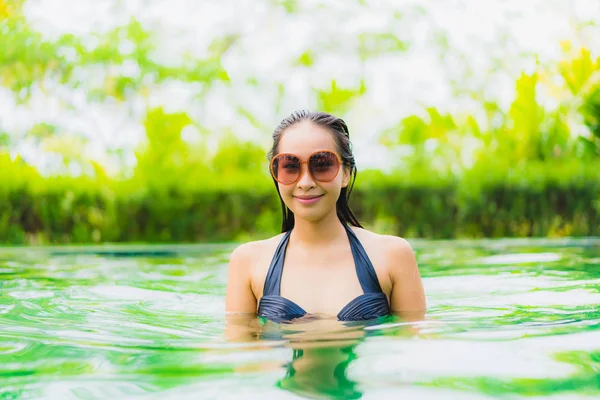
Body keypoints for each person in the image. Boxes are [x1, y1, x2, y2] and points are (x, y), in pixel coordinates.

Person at [225, 110, 426, 322]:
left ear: (346, 173)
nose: (305, 182)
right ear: (276, 174)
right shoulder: (248, 262)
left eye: (322, 165)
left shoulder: (393, 256)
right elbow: (241, 352)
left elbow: (412, 347)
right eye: (290, 166)